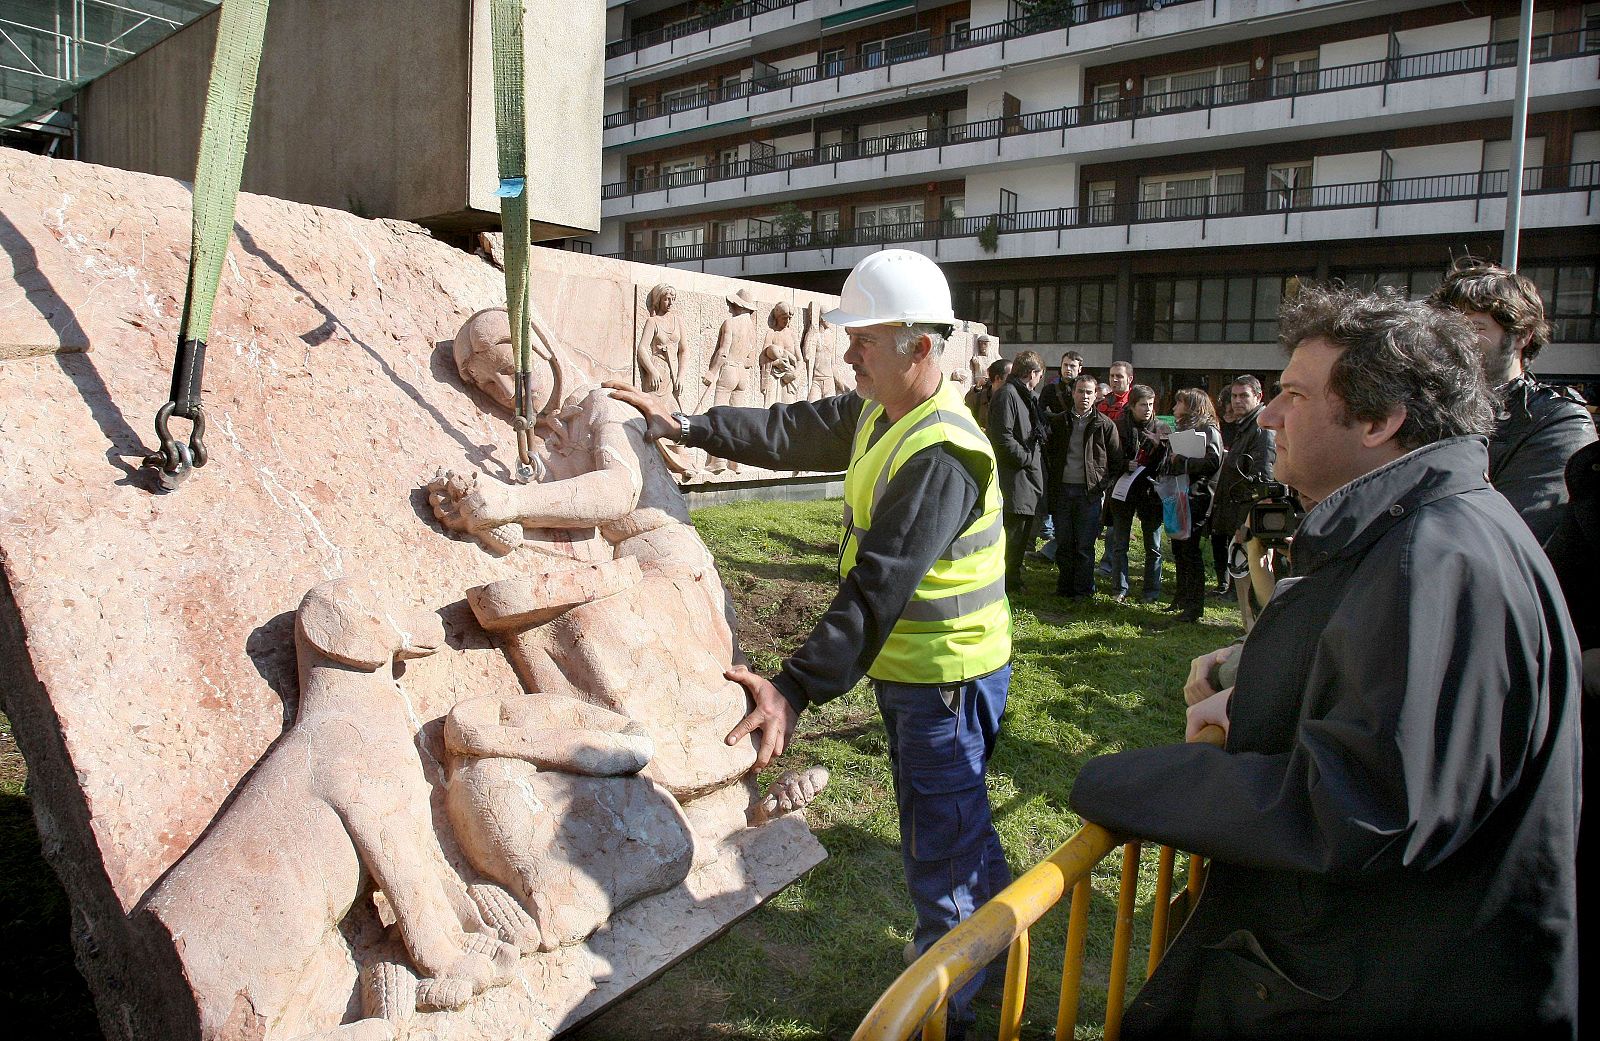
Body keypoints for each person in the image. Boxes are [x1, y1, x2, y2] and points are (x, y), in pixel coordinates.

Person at [1070, 285, 1579, 1040]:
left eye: (1294, 395)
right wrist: (1262, 695)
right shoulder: (1428, 525)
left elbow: (1365, 807)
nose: (1269, 415)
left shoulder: (1435, 558)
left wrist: (1124, 781)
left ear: (1379, 419)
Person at [607, 249, 1012, 1036]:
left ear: (920, 348)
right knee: (958, 833)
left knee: (944, 855)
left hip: (946, 684)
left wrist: (790, 689)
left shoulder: (942, 452)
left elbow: (877, 589)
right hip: (922, 677)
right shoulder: (880, 411)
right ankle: (989, 959)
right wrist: (687, 421)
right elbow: (791, 428)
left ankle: (946, 1017)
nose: (846, 350)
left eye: (864, 338)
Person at [1429, 258, 1596, 543]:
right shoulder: (1423, 404)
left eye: (1475, 328)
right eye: (1448, 329)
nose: (1457, 341)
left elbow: (1509, 538)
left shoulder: (1556, 420)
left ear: (1521, 335)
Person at [1044, 373, 1122, 598]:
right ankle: (1065, 587)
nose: (1084, 396)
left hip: (1089, 493)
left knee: (1085, 546)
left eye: (1089, 392)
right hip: (1062, 491)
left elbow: (1115, 461)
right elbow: (1049, 455)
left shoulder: (1104, 425)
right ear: (1073, 393)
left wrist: (1101, 487)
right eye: (1081, 391)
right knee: (1065, 543)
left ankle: (1084, 590)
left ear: (1096, 395)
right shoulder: (1059, 422)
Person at [1209, 375, 1276, 595]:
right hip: (1235, 510)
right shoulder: (1246, 426)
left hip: (1249, 516)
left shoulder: (1262, 429)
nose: (1237, 401)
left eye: (1244, 396)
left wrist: (1244, 523)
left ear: (1258, 397)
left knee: (1253, 582)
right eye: (1234, 396)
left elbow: (1262, 480)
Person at [987, 350, 1047, 592]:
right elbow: (1002, 438)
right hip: (1014, 479)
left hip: (1025, 478)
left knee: (1021, 534)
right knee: (1011, 536)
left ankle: (1012, 579)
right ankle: (1005, 583)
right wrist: (1027, 458)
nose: (1039, 381)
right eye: (1040, 376)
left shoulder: (1024, 396)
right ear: (1032, 373)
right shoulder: (1008, 395)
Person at [1161, 388, 1222, 622]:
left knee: (1190, 551)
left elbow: (1213, 461)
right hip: (1181, 493)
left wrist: (1183, 461)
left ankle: (1194, 607)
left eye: (1180, 403)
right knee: (1179, 548)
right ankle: (1181, 598)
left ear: (1193, 406)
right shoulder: (1184, 428)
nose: (1175, 408)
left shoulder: (1209, 429)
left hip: (1198, 497)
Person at [1107, 385, 1171, 603]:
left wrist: (1161, 449)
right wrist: (1126, 463)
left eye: (1151, 405)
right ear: (1132, 405)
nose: (1147, 409)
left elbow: (1168, 465)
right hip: (1124, 491)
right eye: (1143, 404)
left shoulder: (1162, 428)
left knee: (1153, 546)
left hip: (1151, 493)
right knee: (1120, 544)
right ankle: (1119, 589)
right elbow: (1108, 458)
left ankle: (1151, 591)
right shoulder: (1118, 427)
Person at [964, 357, 1011, 427]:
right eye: (1010, 376)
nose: (1014, 380)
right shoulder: (978, 399)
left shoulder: (1015, 399)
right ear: (998, 378)